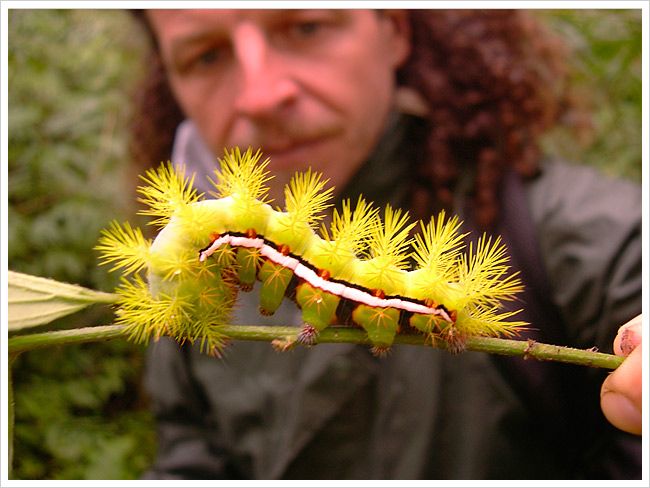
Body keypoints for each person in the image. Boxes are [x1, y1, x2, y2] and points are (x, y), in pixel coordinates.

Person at [129, 9, 642, 479]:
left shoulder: (589, 235)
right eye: (206, 55)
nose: (261, 95)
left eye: (306, 25)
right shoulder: (196, 300)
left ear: (395, 28)